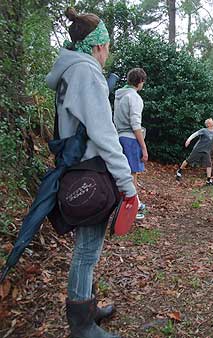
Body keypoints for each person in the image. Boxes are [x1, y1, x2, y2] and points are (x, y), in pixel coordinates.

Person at [46, 7, 136, 338]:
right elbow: (104, 133)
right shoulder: (86, 73)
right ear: (98, 46)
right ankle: (81, 324)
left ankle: (88, 307)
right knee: (86, 251)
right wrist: (127, 183)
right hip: (90, 172)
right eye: (108, 46)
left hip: (80, 168)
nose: (108, 53)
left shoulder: (72, 70)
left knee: (89, 248)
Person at [114, 68, 148, 220]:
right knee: (132, 174)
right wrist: (143, 147)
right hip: (131, 139)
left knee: (124, 173)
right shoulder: (134, 97)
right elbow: (135, 124)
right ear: (140, 81)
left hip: (118, 137)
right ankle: (133, 208)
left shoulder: (119, 95)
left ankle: (135, 203)